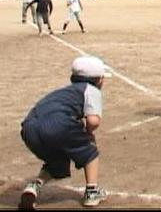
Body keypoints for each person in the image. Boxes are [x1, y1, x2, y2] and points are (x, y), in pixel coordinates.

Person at [18, 56, 111, 209]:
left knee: (58, 161)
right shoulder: (91, 90)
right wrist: (88, 133)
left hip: (29, 127)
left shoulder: (64, 92)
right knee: (90, 149)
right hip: (58, 124)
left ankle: (33, 187)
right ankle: (92, 193)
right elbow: (93, 121)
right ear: (99, 80)